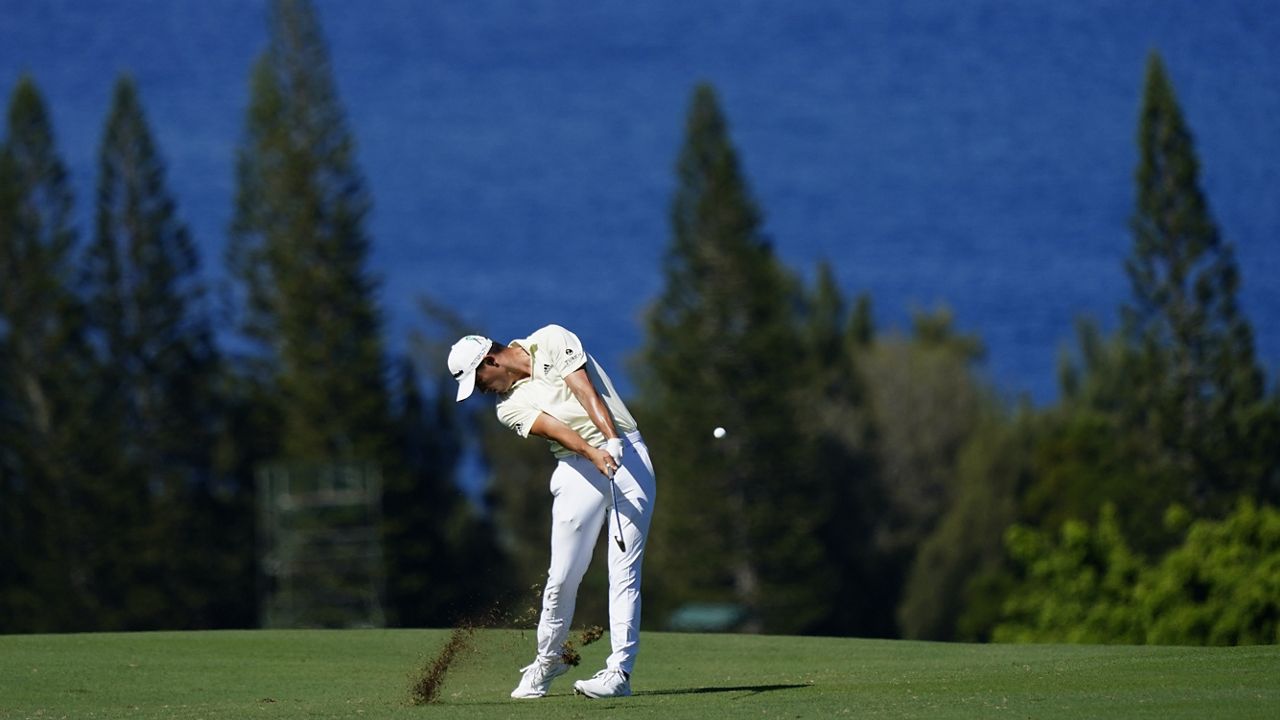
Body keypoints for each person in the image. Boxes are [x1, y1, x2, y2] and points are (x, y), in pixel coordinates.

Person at [448, 324, 656, 700]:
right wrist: (595, 453)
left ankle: (619, 673)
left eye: (479, 382)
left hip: (629, 456)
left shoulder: (551, 339)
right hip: (577, 468)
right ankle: (548, 660)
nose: (482, 391)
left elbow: (583, 388)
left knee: (623, 570)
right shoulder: (508, 407)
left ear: (490, 361)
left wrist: (611, 439)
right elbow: (560, 431)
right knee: (562, 576)